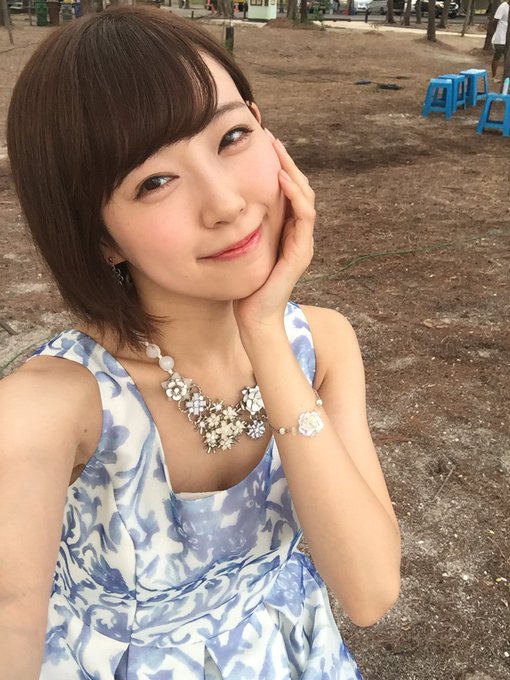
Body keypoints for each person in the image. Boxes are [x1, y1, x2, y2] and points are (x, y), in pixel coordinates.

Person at [1, 7, 401, 679]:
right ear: (99, 237)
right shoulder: (54, 406)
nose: (225, 203)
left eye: (233, 136)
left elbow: (369, 591)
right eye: (154, 182)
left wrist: (265, 333)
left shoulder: (322, 344)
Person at [491, 0, 509, 82]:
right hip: (500, 37)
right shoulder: (503, 7)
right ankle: (494, 76)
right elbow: (495, 21)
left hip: (507, 37)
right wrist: (495, 32)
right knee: (497, 56)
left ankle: (506, 77)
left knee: (507, 58)